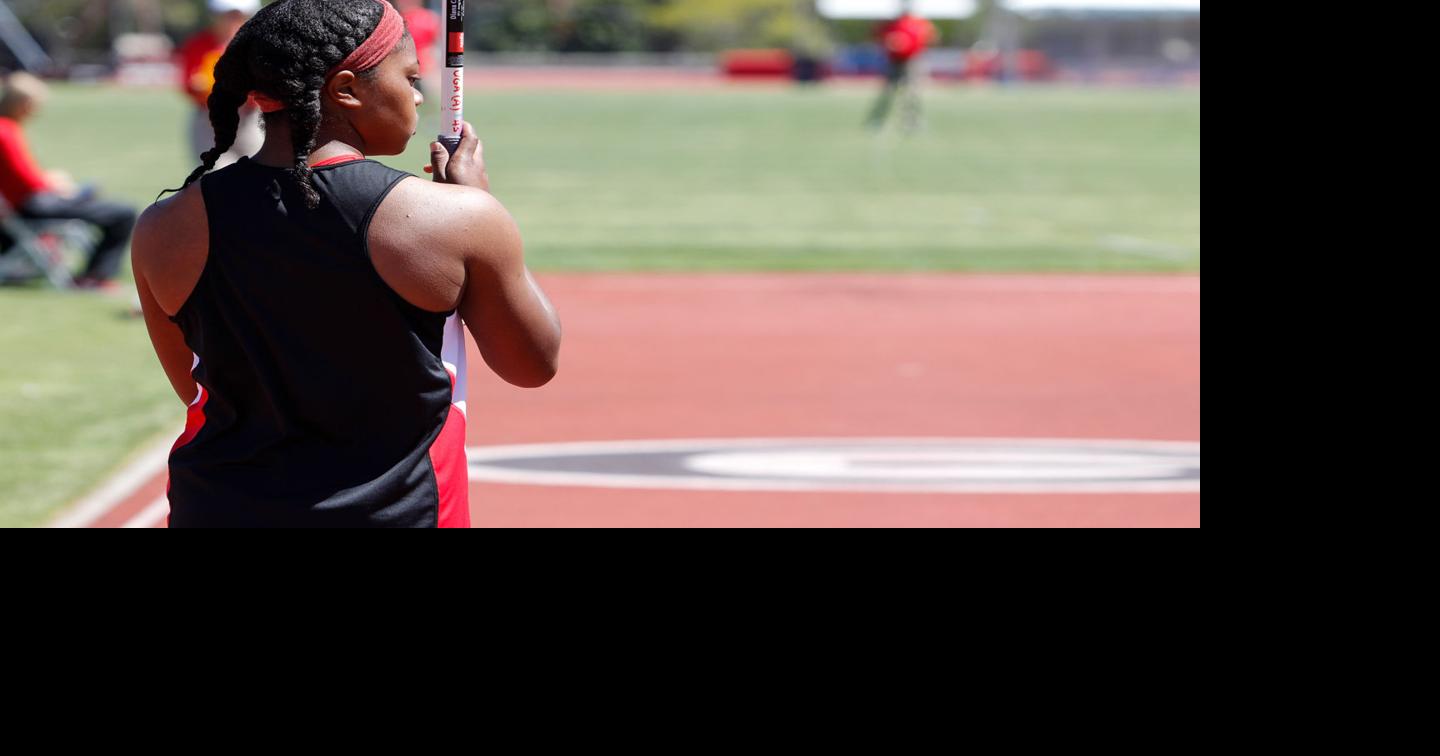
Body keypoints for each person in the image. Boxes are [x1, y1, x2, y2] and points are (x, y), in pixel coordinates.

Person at [134, 0, 562, 528]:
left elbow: (197, 386)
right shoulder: (456, 218)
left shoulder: (163, 225)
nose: (418, 94)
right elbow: (532, 363)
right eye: (408, 77)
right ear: (346, 89)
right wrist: (485, 209)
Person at [0, 73, 136, 291]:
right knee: (122, 213)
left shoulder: (7, 128)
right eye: (35, 105)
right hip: (34, 205)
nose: (37, 112)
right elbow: (26, 181)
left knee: (94, 196)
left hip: (33, 202)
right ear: (23, 104)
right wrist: (55, 184)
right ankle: (96, 275)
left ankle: (95, 274)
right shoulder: (5, 131)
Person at [177, 0, 263, 168]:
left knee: (261, 173)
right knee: (216, 174)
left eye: (237, 15)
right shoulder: (199, 44)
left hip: (249, 119)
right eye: (226, 15)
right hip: (210, 120)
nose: (232, 20)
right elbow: (189, 85)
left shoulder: (257, 45)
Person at [866, 0, 938, 133]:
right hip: (894, 61)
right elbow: (879, 36)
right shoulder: (891, 23)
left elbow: (931, 37)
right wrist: (891, 43)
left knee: (912, 93)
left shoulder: (918, 23)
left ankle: (912, 122)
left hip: (912, 60)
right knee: (888, 92)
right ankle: (877, 120)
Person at [392, 0, 440, 89]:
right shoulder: (399, 17)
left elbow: (433, 42)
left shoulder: (428, 18)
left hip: (422, 63)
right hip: (407, 62)